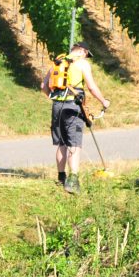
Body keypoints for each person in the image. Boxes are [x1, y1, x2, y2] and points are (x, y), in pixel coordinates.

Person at [41, 43, 110, 194]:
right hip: (73, 106)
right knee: (74, 143)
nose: (87, 57)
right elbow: (91, 87)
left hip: (57, 106)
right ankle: (73, 180)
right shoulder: (82, 63)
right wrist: (104, 101)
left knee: (62, 144)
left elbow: (43, 86)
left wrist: (56, 99)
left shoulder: (58, 62)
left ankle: (61, 178)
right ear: (84, 52)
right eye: (87, 54)